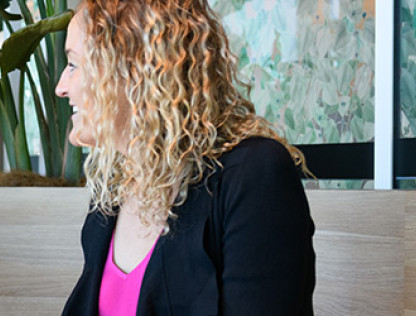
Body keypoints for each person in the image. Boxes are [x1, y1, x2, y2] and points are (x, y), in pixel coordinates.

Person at [55, 0, 316, 315]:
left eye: (73, 65)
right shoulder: (114, 192)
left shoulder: (254, 175)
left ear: (134, 70)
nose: (61, 87)